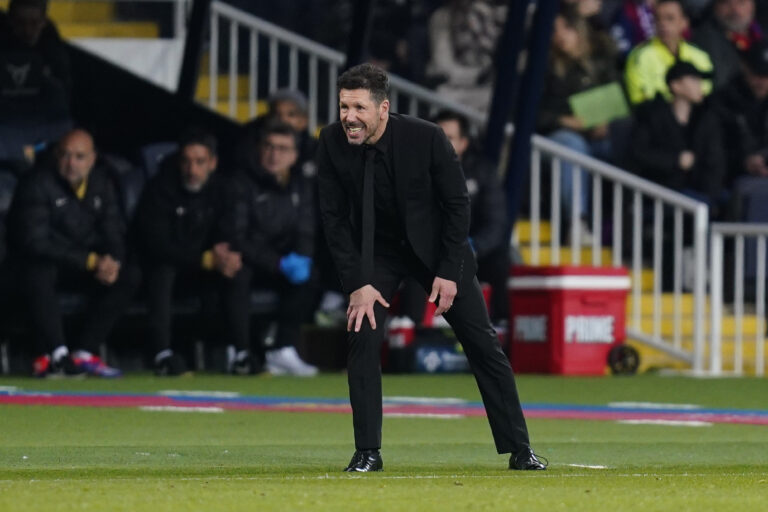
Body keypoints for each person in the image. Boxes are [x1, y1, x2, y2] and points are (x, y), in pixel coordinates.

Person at [316, 63, 545, 472]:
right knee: (362, 336)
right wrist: (357, 282)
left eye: (358, 108)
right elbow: (333, 219)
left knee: (482, 344)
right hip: (378, 254)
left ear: (383, 108)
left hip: (437, 250)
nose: (349, 117)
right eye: (343, 106)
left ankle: (520, 449)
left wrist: (448, 270)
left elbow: (458, 205)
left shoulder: (427, 137)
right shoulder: (331, 141)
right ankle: (367, 451)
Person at [7, 129, 137, 377]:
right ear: (57, 156)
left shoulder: (102, 182)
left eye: (79, 157)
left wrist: (113, 261)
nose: (71, 163)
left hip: (83, 266)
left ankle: (84, 353)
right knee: (38, 270)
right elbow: (35, 241)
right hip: (43, 267)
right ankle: (58, 354)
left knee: (129, 274)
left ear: (92, 158)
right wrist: (89, 261)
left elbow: (114, 230)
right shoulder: (37, 182)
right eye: (66, 156)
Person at [133, 129, 242, 376]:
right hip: (167, 267)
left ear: (212, 163)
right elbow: (156, 245)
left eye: (200, 162)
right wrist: (202, 258)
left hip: (203, 271)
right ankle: (161, 354)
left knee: (238, 268)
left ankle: (241, 352)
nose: (192, 169)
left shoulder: (223, 188)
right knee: (162, 271)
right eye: (186, 161)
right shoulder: (160, 188)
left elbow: (233, 229)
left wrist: (226, 252)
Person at [226, 121, 318, 376]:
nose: (274, 154)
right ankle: (241, 351)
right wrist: (277, 262)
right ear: (259, 149)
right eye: (268, 146)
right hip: (253, 260)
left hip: (283, 260)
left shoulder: (301, 185)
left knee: (311, 274)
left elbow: (306, 228)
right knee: (237, 272)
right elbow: (238, 237)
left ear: (294, 155)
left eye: (282, 148)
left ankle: (283, 348)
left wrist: (302, 256)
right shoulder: (241, 183)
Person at [401, 110, 509, 325]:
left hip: (473, 251)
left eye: (449, 138)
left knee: (501, 260)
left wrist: (474, 246)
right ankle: (409, 330)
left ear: (463, 143)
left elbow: (496, 223)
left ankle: (502, 326)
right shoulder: (414, 173)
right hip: (432, 252)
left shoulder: (482, 172)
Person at [538, 7, 619, 243]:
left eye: (567, 28)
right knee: (572, 144)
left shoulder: (601, 62)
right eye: (554, 29)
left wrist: (606, 121)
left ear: (580, 30)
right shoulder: (544, 67)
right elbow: (530, 115)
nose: (560, 35)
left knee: (625, 141)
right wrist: (563, 121)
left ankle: (620, 226)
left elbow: (616, 100)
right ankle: (578, 222)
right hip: (555, 138)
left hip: (597, 137)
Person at [628, 61, 726, 209]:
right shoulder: (652, 115)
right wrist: (676, 160)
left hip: (701, 189)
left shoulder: (706, 118)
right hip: (662, 191)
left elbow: (715, 160)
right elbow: (639, 152)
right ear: (676, 86)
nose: (700, 86)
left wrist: (711, 194)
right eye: (694, 80)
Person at [625, 0, 714, 104]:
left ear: (684, 23)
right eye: (657, 19)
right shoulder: (640, 58)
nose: (663, 24)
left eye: (670, 18)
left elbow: (707, 93)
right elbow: (641, 102)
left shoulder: (699, 56)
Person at [714, 38, 768, 185]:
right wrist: (744, 163)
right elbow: (712, 153)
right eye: (758, 74)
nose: (763, 81)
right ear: (745, 67)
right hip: (733, 182)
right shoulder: (724, 100)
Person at [692, 0, 764, 89]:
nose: (735, 10)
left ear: (752, 4)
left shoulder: (762, 31)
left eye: (741, 2)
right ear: (715, 7)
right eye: (725, 3)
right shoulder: (705, 40)